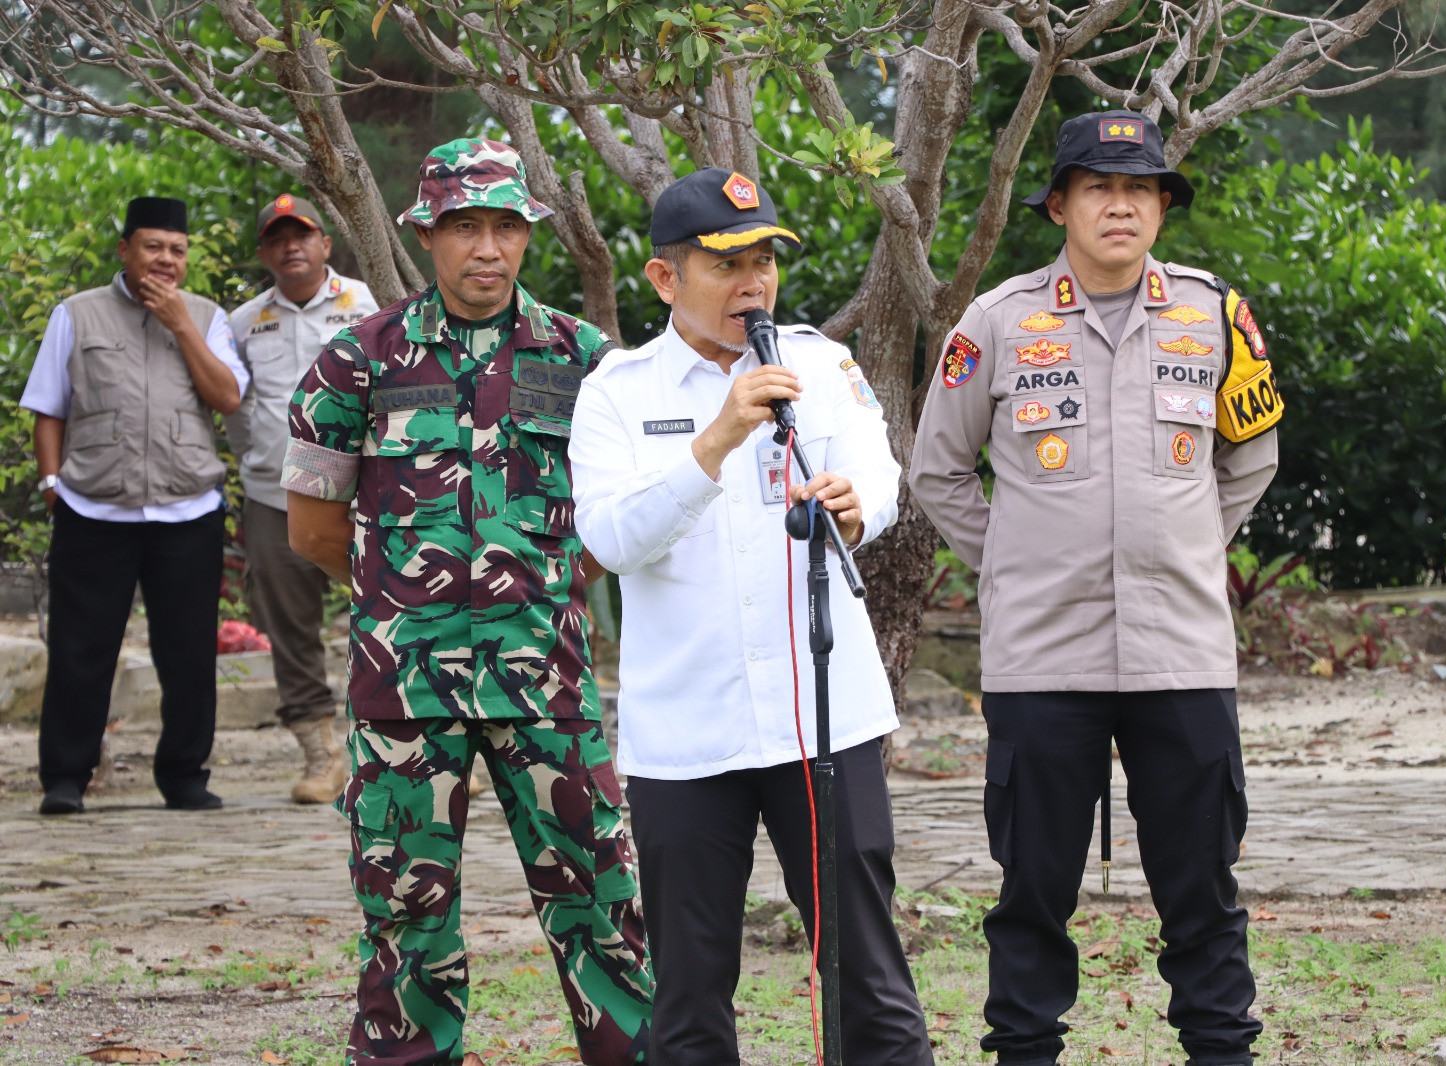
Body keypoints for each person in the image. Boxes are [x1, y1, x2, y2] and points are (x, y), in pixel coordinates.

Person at [909, 110, 1282, 1066]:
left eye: (1141, 189)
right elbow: (938, 470)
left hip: (1183, 655)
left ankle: (1221, 1052)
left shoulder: (1216, 315)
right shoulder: (995, 322)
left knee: (1202, 882)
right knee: (1034, 885)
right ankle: (1026, 1052)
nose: (1122, 205)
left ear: (1161, 206)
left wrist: (1186, 543)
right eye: (1099, 188)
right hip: (1045, 659)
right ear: (1061, 205)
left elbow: (1250, 457)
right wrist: (1018, 559)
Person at [282, 138, 652, 1066]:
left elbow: (611, 521)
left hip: (547, 682)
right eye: (463, 227)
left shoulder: (587, 359)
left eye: (504, 227)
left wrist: (542, 584)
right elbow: (314, 531)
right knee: (404, 910)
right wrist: (406, 603)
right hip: (402, 687)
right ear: (427, 233)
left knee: (600, 897)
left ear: (527, 234)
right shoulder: (356, 358)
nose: (486, 248)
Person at [570, 167, 933, 1066]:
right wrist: (718, 436)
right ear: (665, 279)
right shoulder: (618, 390)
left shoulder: (817, 363)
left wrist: (859, 504)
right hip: (690, 736)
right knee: (691, 996)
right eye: (726, 262)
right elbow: (611, 538)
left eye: (765, 258)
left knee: (870, 982)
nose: (753, 282)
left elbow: (881, 471)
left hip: (824, 720)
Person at [23, 195, 248, 816]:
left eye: (177, 250)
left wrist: (181, 324)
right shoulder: (77, 314)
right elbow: (49, 407)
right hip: (93, 509)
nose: (165, 260)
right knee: (79, 649)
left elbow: (227, 396)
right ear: (124, 251)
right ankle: (66, 777)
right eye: (152, 247)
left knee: (188, 652)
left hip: (187, 511)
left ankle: (184, 776)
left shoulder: (207, 317)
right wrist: (51, 485)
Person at [226, 194, 378, 805]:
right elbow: (238, 408)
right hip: (275, 493)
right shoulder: (243, 321)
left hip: (365, 490)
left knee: (400, 607)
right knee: (290, 627)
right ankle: (321, 754)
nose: (291, 247)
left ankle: (431, 741)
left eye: (302, 235)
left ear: (324, 244)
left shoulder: (365, 304)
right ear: (265, 252)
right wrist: (255, 460)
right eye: (277, 238)